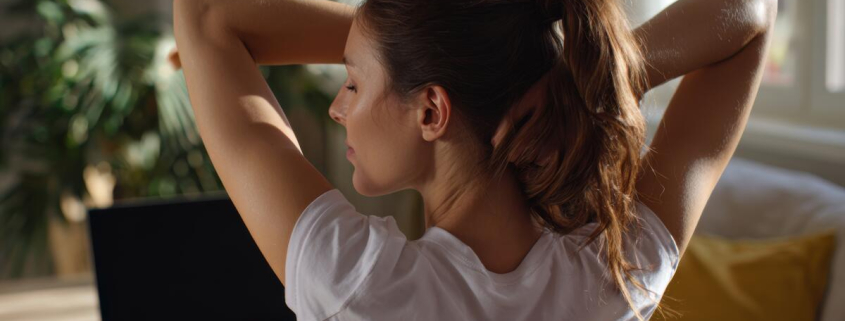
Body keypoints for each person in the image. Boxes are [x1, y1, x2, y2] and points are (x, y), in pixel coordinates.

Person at [171, 0, 776, 319]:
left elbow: (207, 15)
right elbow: (753, 13)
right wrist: (589, 77)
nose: (338, 108)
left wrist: (427, 42)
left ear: (432, 111)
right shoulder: (617, 275)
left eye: (353, 83)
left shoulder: (355, 288)